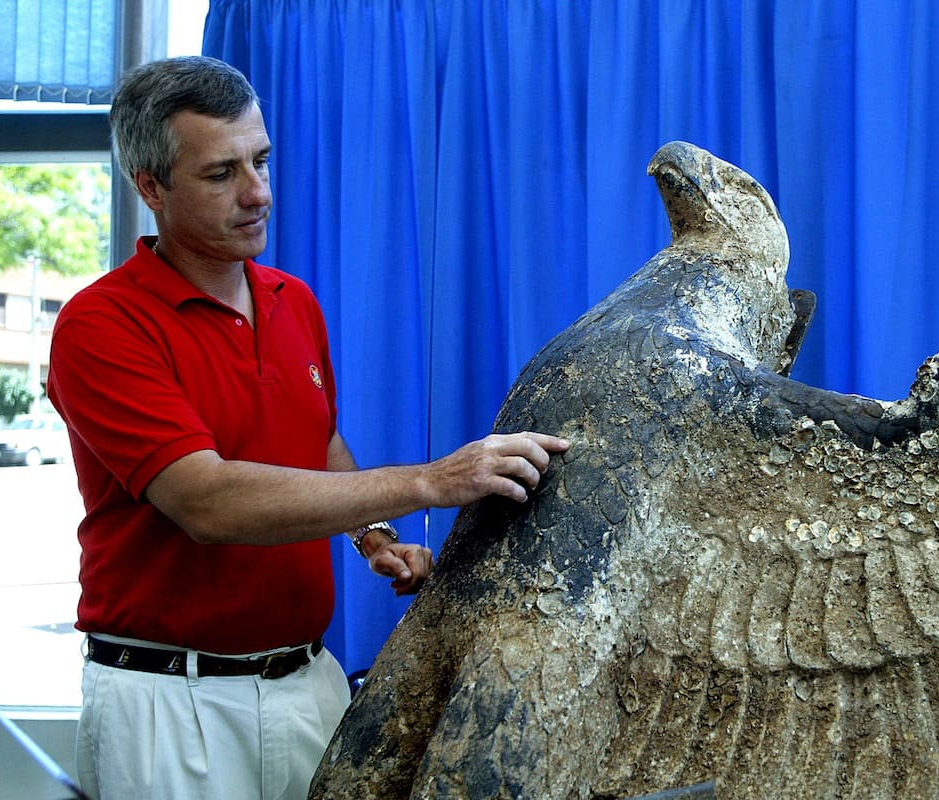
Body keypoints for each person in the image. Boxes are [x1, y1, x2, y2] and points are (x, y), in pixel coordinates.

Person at [46, 55, 569, 800]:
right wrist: (428, 481)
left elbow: (317, 443)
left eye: (260, 161)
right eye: (221, 173)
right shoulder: (101, 325)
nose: (257, 192)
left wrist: (374, 535)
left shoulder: (294, 301)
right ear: (151, 187)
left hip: (307, 684)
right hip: (168, 706)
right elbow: (207, 501)